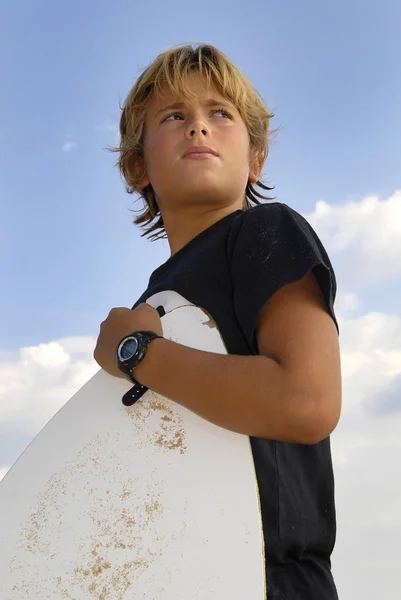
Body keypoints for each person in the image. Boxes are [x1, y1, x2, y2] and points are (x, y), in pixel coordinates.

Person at [94, 43, 342, 599]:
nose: (198, 129)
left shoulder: (266, 232)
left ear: (256, 159)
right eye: (175, 116)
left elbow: (307, 401)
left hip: (270, 582)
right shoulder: (155, 300)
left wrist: (136, 354)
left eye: (220, 114)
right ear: (138, 166)